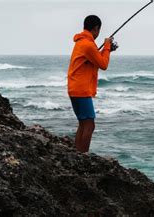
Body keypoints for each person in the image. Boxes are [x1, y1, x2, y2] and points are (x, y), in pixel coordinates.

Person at [67, 15, 117, 153]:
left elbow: (95, 58)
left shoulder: (81, 42)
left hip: (74, 88)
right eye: (98, 31)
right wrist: (107, 46)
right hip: (81, 89)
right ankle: (83, 156)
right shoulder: (88, 44)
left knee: (83, 124)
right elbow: (103, 64)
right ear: (96, 29)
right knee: (89, 125)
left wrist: (106, 50)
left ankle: (77, 154)